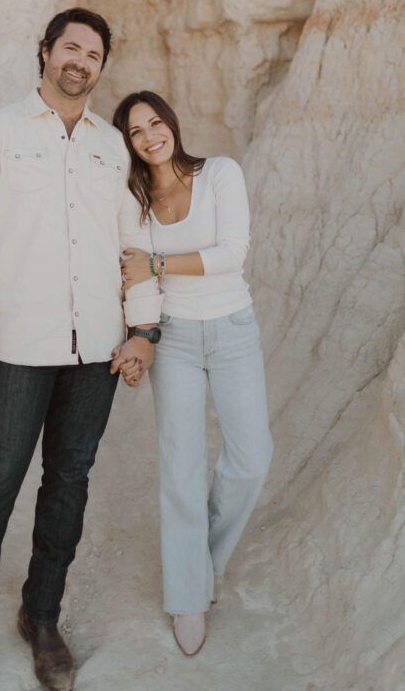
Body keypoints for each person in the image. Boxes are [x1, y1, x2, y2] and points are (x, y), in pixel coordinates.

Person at [0, 10, 162, 691]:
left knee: (68, 483)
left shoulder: (112, 147)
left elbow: (132, 244)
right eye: (69, 48)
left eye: (92, 53)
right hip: (16, 344)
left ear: (101, 66)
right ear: (45, 53)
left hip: (95, 349)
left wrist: (142, 330)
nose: (79, 60)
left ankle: (42, 617)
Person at [112, 90, 273, 658]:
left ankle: (203, 559)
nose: (150, 135)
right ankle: (187, 594)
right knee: (181, 467)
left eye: (155, 122)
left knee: (252, 456)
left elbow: (232, 254)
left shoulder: (220, 174)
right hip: (175, 336)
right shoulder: (133, 199)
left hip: (232, 327)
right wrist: (140, 338)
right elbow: (133, 278)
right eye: (135, 131)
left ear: (172, 124)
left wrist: (155, 262)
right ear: (128, 144)